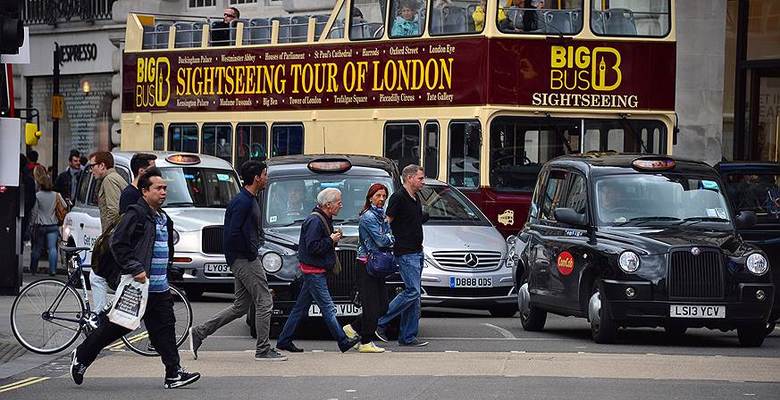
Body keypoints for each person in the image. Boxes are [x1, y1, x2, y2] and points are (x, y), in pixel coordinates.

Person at [70, 168, 201, 389]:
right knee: (116, 327)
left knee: (165, 330)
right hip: (138, 286)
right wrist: (135, 267)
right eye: (158, 188)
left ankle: (173, 374)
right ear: (144, 191)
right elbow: (118, 243)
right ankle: (82, 356)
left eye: (165, 188)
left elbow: (164, 248)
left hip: (159, 287)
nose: (163, 192)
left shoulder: (163, 218)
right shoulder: (135, 214)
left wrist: (168, 272)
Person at [190, 161, 286, 361]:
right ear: (257, 178)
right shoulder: (243, 202)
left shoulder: (249, 199)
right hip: (245, 259)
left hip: (242, 257)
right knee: (265, 301)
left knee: (241, 306)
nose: (267, 178)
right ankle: (263, 349)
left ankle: (199, 332)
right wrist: (250, 253)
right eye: (265, 174)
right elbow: (233, 233)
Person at [276, 188, 361, 354]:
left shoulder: (321, 218)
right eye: (339, 202)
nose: (341, 205)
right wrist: (331, 239)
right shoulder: (315, 221)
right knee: (328, 308)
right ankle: (343, 341)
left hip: (312, 270)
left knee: (300, 308)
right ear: (328, 205)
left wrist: (332, 238)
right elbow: (313, 247)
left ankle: (284, 340)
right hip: (314, 271)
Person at [375, 164, 429, 347]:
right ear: (409, 178)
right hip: (405, 253)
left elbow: (412, 220)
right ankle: (380, 321)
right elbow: (387, 222)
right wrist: (385, 242)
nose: (423, 182)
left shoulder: (416, 197)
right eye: (420, 178)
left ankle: (407, 336)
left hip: (417, 251)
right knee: (412, 291)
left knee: (415, 297)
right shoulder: (398, 197)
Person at [342, 183, 394, 353]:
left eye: (384, 196)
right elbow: (382, 240)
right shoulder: (369, 217)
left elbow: (387, 235)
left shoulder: (381, 216)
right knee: (371, 305)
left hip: (377, 264)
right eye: (378, 196)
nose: (381, 199)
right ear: (370, 197)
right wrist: (391, 238)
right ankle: (365, 341)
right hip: (367, 263)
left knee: (383, 306)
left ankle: (353, 328)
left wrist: (388, 236)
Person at [89, 151, 129, 313]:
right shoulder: (116, 178)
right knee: (111, 277)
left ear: (102, 165)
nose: (91, 170)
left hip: (113, 237)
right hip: (118, 237)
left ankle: (99, 318)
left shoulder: (109, 180)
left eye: (93, 166)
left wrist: (106, 238)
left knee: (97, 276)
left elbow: (113, 211)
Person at [29, 174, 65, 276]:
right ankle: (53, 270)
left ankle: (33, 269)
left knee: (37, 248)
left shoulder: (37, 195)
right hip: (53, 225)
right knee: (52, 248)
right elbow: (65, 205)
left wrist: (31, 224)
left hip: (40, 225)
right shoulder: (56, 195)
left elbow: (34, 212)